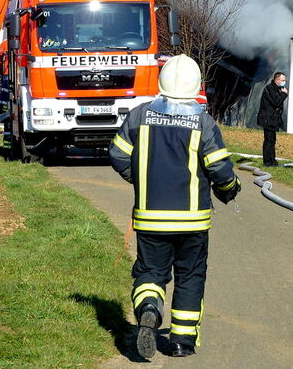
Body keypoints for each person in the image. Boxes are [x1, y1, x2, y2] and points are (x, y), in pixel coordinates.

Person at [109, 55, 240, 360]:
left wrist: (142, 179)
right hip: (192, 222)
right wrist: (230, 190)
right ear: (196, 87)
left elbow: (117, 154)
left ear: (162, 82)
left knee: (151, 272)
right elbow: (220, 170)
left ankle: (150, 308)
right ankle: (181, 340)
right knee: (190, 276)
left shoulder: (140, 116)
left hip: (151, 218)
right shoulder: (203, 123)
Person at [256, 72, 287, 166]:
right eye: (283, 80)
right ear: (277, 80)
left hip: (273, 119)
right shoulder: (269, 88)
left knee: (272, 140)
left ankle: (272, 160)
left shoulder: (277, 89)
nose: (284, 82)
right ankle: (267, 161)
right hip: (267, 119)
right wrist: (284, 95)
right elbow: (276, 102)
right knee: (268, 140)